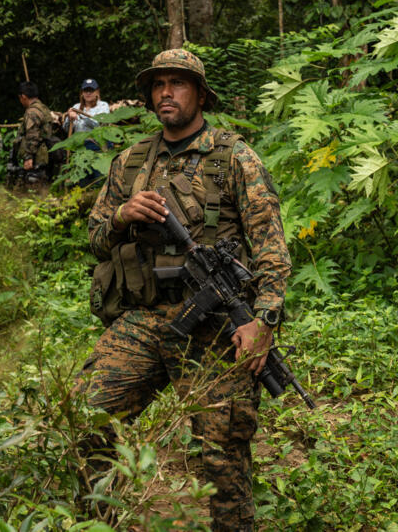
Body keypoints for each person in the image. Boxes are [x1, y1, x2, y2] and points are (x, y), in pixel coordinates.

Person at [79, 49, 291, 531]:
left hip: (216, 328)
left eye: (177, 83)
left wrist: (264, 321)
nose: (166, 93)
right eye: (158, 85)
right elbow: (94, 241)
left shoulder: (235, 157)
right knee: (87, 421)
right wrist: (120, 216)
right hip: (147, 319)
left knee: (222, 457)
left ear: (199, 94)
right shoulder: (129, 164)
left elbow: (272, 250)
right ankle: (96, 522)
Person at [15, 80, 53, 185]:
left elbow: (33, 135)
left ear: (23, 96)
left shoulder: (32, 112)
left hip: (37, 155)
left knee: (33, 185)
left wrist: (28, 157)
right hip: (45, 153)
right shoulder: (44, 108)